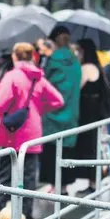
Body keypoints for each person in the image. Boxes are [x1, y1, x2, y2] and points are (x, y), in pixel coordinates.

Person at [0, 43, 64, 219]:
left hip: (12, 132)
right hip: (33, 133)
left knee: (2, 175)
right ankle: (26, 215)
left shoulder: (12, 76)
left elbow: (1, 104)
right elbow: (58, 100)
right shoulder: (39, 78)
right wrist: (38, 110)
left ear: (15, 56)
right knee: (28, 177)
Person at [40, 27, 82, 194]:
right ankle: (64, 186)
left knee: (52, 147)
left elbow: (45, 86)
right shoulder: (75, 61)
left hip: (52, 113)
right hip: (71, 112)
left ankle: (53, 184)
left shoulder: (52, 61)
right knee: (67, 147)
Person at [73, 39, 110, 196]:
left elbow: (77, 87)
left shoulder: (86, 68)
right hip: (95, 112)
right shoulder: (98, 67)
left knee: (88, 147)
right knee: (93, 145)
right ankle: (93, 181)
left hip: (87, 113)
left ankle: (92, 181)